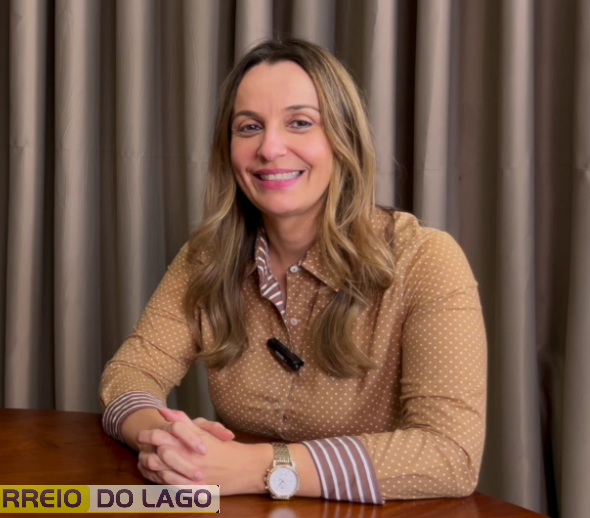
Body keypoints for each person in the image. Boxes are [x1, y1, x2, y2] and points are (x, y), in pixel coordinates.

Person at [99, 38, 487, 504]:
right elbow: (128, 374)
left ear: (343, 138)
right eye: (249, 127)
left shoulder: (425, 259)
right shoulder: (207, 257)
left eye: (300, 122)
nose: (270, 147)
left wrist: (261, 467)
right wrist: (166, 442)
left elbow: (450, 455)